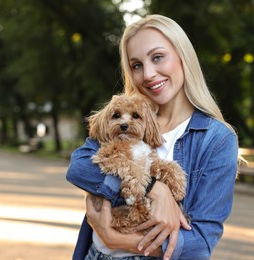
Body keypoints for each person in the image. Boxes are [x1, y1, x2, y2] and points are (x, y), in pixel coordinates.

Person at [66, 14, 239, 260]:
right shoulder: (122, 119)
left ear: (182, 56)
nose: (147, 74)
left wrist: (116, 238)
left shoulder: (216, 140)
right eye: (137, 65)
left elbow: (199, 243)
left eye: (158, 57)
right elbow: (78, 168)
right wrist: (154, 189)